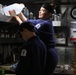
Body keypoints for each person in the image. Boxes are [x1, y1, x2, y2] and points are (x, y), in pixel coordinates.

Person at [10, 3, 58, 75]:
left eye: (43, 11)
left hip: (49, 54)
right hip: (43, 51)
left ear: (50, 14)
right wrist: (19, 12)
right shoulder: (40, 21)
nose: (40, 12)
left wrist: (17, 18)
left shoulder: (46, 23)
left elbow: (28, 29)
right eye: (40, 10)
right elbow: (27, 21)